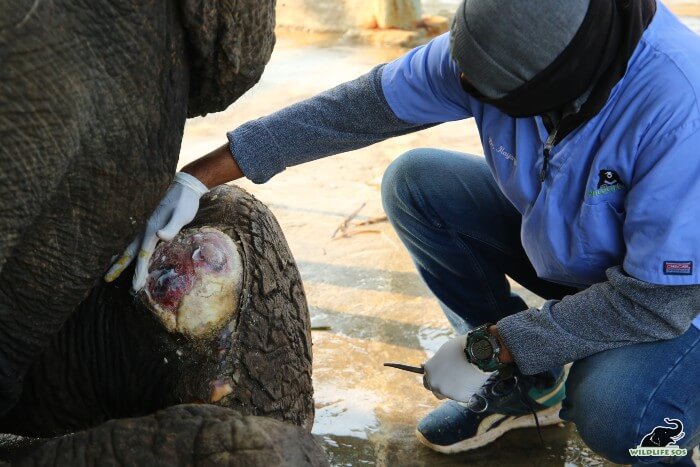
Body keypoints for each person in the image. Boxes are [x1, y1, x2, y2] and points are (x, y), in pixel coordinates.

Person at [106, 1, 700, 465]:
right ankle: (526, 386)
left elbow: (654, 303)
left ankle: (672, 439)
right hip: (578, 254)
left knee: (621, 418)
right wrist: (196, 177)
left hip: (671, 302)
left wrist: (491, 345)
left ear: (554, 90)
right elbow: (354, 110)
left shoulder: (678, 108)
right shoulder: (502, 47)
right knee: (416, 183)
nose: (462, 87)